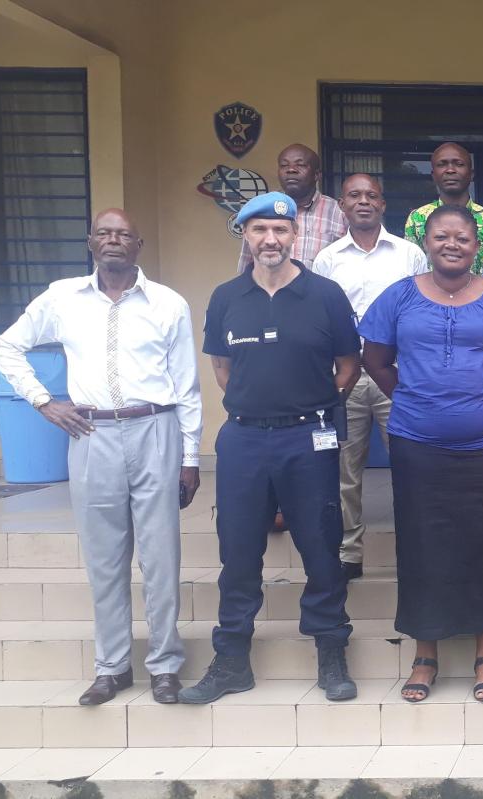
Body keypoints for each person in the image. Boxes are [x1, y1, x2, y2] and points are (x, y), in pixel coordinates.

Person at [0, 209, 201, 706]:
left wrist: (190, 456)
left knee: (160, 556)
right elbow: (7, 346)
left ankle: (164, 665)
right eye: (105, 233)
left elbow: (187, 385)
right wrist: (44, 402)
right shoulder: (61, 298)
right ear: (90, 242)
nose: (114, 240)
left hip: (155, 428)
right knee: (104, 558)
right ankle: (112, 667)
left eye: (124, 234)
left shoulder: (168, 303)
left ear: (138, 245)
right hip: (91, 433)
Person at [182, 191, 361, 704]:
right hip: (243, 439)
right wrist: (259, 407)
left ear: (295, 236)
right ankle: (232, 660)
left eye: (280, 230)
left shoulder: (326, 295)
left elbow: (348, 366)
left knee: (321, 547)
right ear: (246, 235)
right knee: (238, 550)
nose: (270, 239)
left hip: (309, 439)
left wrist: (310, 404)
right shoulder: (226, 297)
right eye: (260, 229)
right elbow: (221, 368)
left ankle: (331, 650)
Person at [358, 204, 483, 704]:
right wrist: (416, 397)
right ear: (426, 243)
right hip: (418, 443)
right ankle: (425, 654)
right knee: (422, 544)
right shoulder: (399, 296)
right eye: (441, 236)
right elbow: (376, 359)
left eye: (461, 237)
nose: (451, 244)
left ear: (477, 246)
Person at [312, 174, 429, 581]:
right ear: (342, 205)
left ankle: (416, 549)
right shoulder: (328, 259)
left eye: (372, 195)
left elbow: (422, 311)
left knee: (411, 464)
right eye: (355, 195)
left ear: (383, 204)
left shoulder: (409, 255)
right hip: (345, 377)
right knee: (344, 469)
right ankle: (349, 552)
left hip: (398, 376)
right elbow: (320, 321)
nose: (363, 201)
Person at [236, 144, 345, 272]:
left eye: (300, 165)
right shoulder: (260, 210)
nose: (291, 170)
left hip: (321, 285)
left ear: (317, 175)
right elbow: (246, 266)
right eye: (284, 165)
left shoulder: (339, 213)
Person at [404, 142, 483, 272]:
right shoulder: (417, 219)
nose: (450, 170)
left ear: (471, 174)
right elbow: (412, 269)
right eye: (442, 164)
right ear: (433, 175)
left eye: (459, 164)